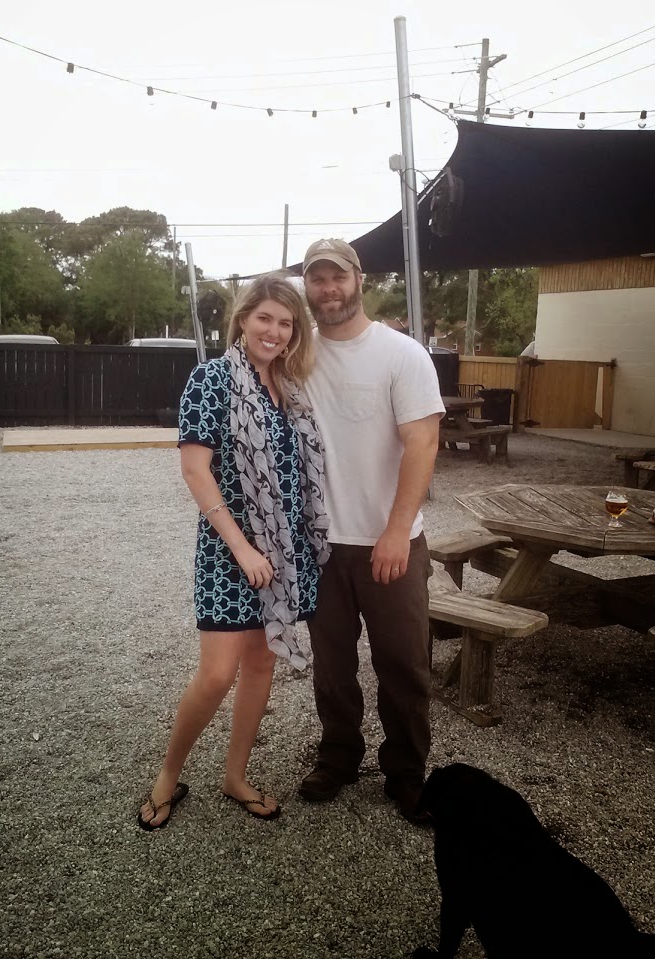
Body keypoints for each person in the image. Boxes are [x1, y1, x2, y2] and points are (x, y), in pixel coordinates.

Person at [138, 273, 329, 830]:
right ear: (243, 319)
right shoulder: (212, 379)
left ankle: (235, 775)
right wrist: (243, 549)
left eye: (286, 323)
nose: (275, 331)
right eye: (265, 318)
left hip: (283, 549)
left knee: (261, 662)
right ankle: (168, 775)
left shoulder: (291, 387)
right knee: (218, 674)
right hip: (230, 550)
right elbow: (196, 471)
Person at [298, 239, 445, 825]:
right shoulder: (297, 354)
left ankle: (406, 774)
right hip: (320, 544)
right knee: (332, 666)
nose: (328, 288)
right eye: (317, 278)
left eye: (338, 276)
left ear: (359, 279)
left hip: (391, 540)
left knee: (403, 665)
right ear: (307, 287)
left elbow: (423, 442)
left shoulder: (401, 354)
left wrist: (397, 529)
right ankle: (338, 757)